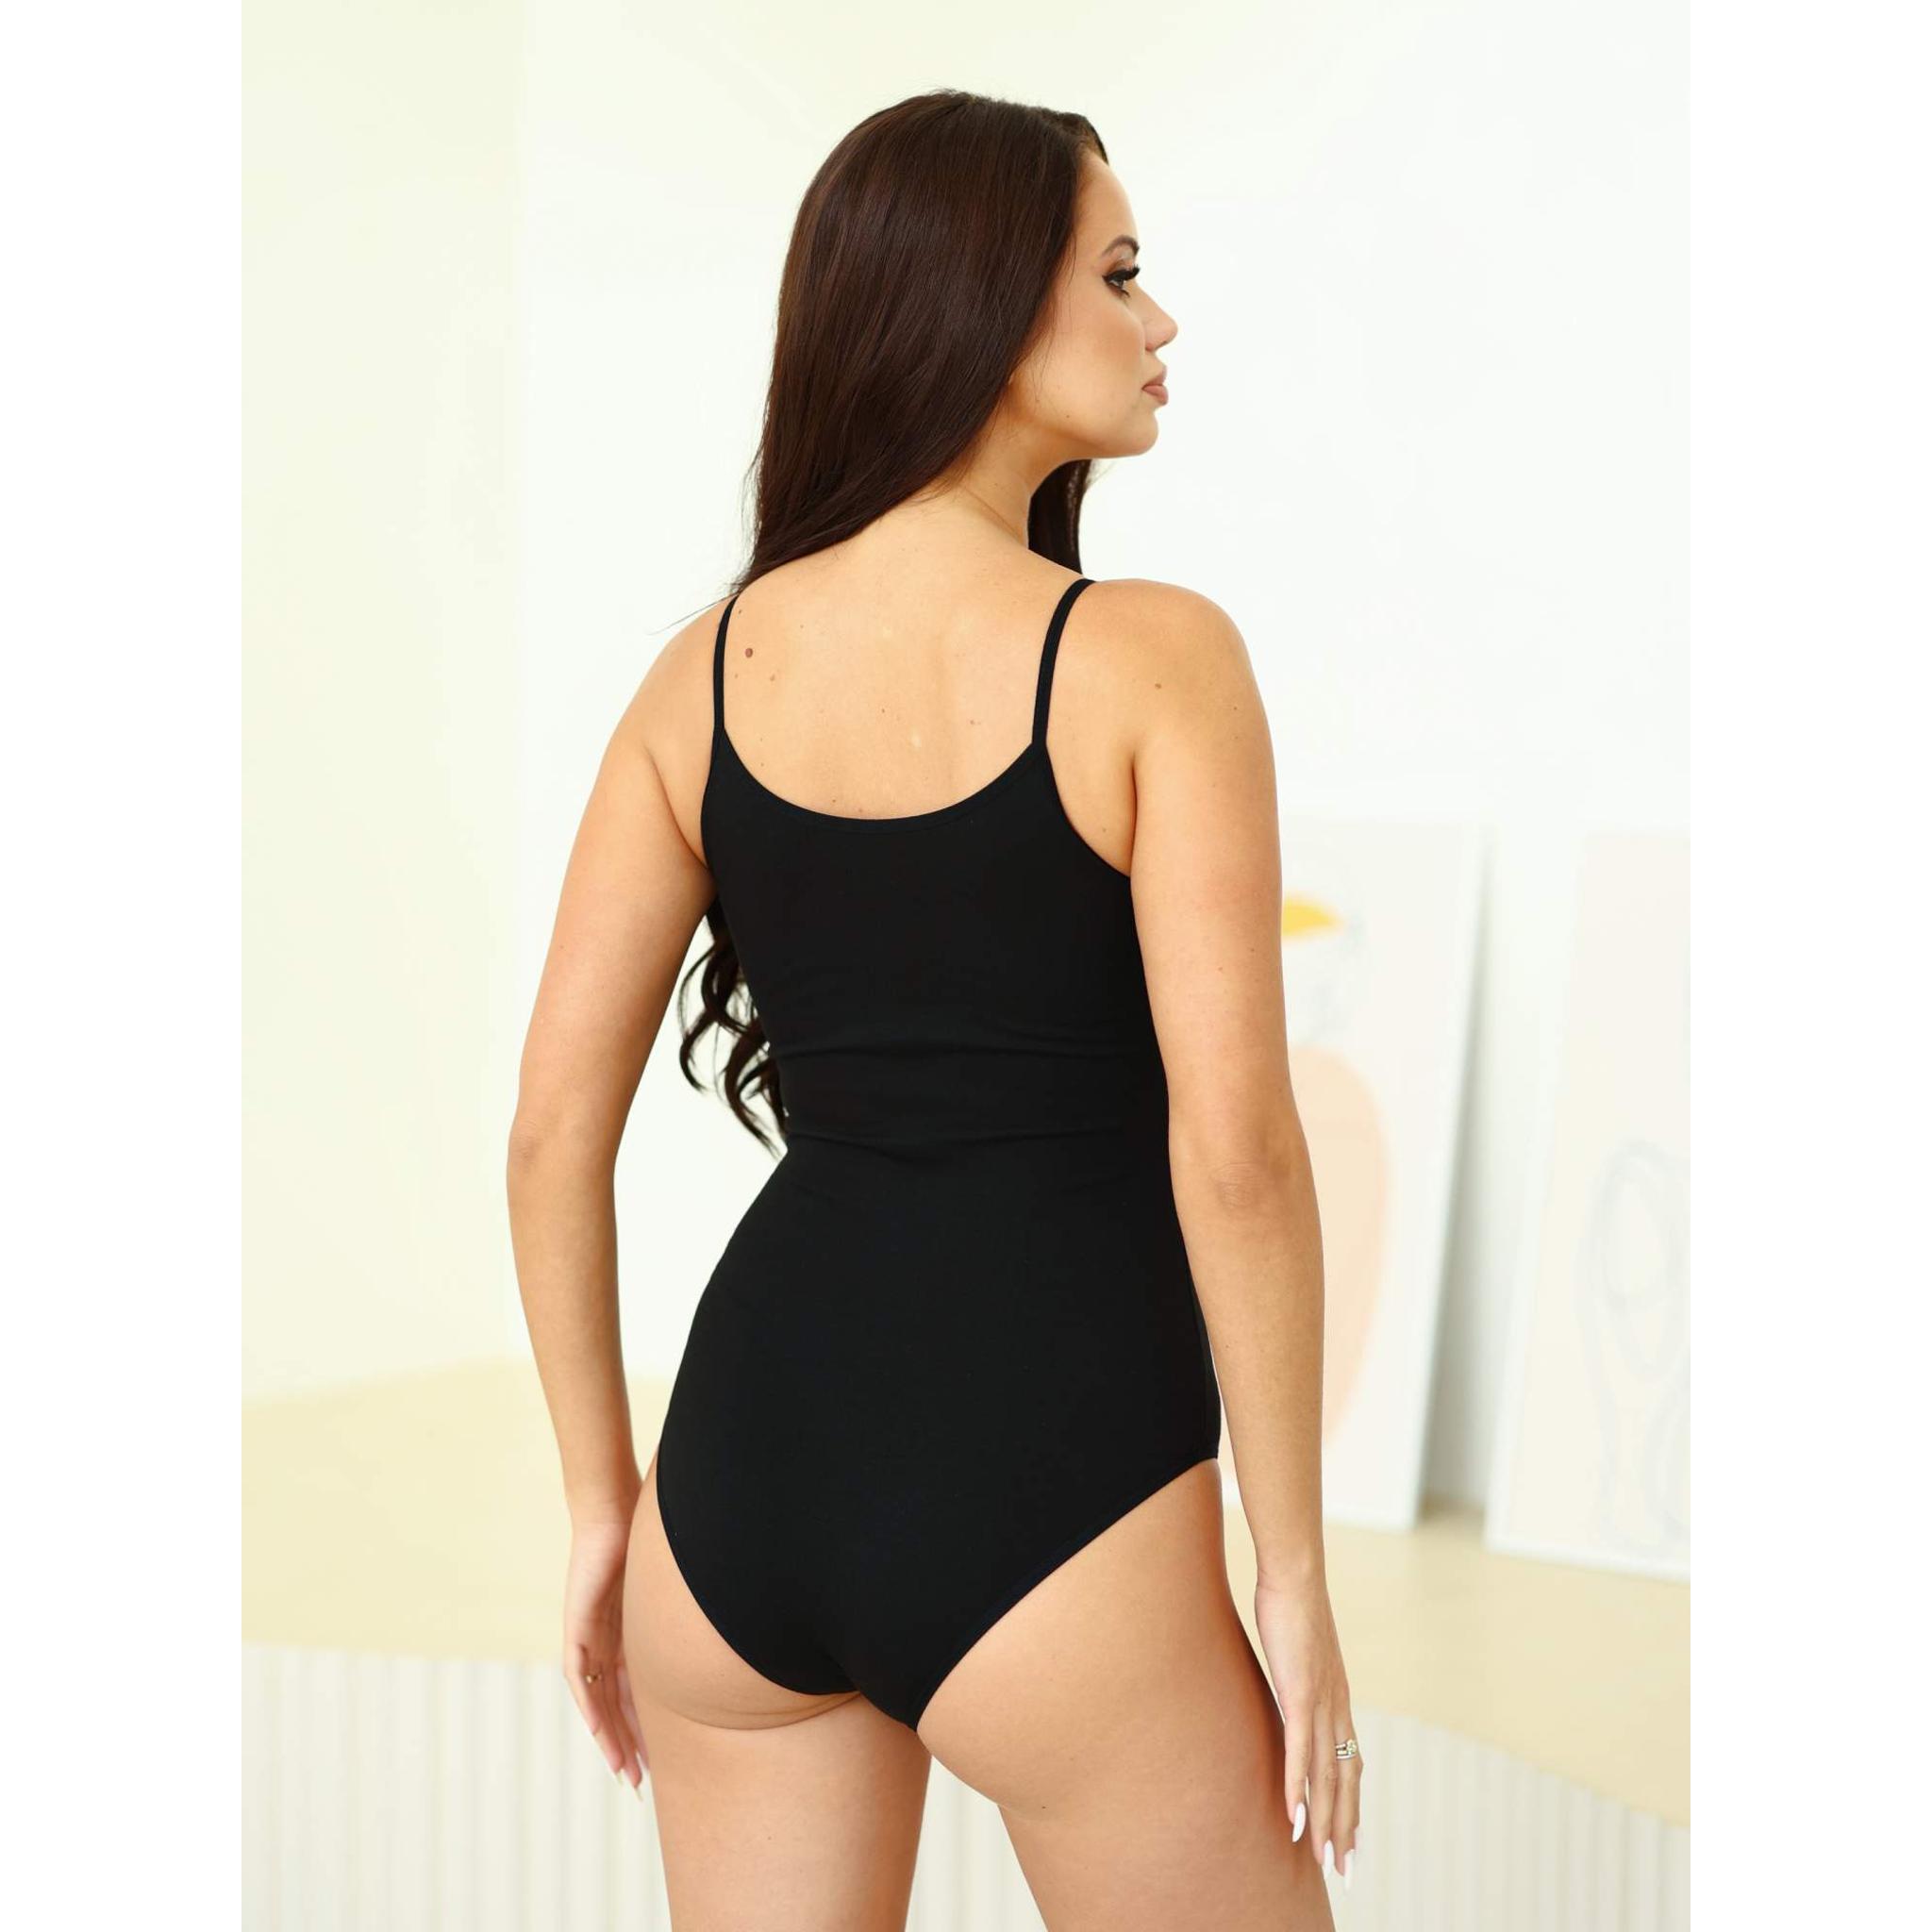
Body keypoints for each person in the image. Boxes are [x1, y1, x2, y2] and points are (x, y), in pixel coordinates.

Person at [506, 87, 1360, 1930]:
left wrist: (601, 1502)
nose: (1159, 319)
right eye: (1118, 274)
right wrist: (1288, 1569)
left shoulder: (698, 675)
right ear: (981, 301)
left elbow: (550, 1135)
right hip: (1054, 1482)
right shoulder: (1154, 657)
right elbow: (1237, 1148)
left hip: (737, 1491)